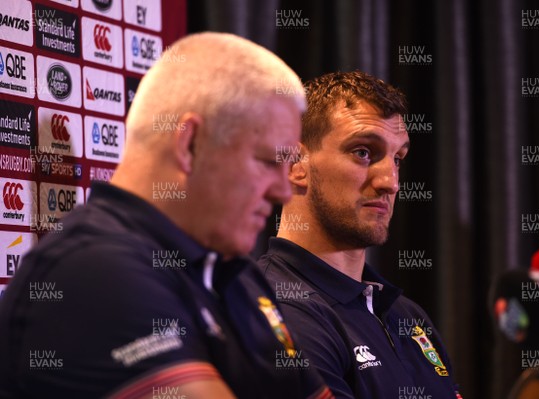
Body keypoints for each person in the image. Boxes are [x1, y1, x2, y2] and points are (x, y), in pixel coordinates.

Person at [0, 33, 332, 399]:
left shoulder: (242, 277)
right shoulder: (92, 269)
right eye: (269, 161)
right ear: (190, 144)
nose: (283, 191)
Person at [258, 71, 462, 398]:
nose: (391, 182)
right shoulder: (273, 309)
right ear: (295, 164)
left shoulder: (407, 315)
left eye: (397, 158)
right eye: (363, 152)